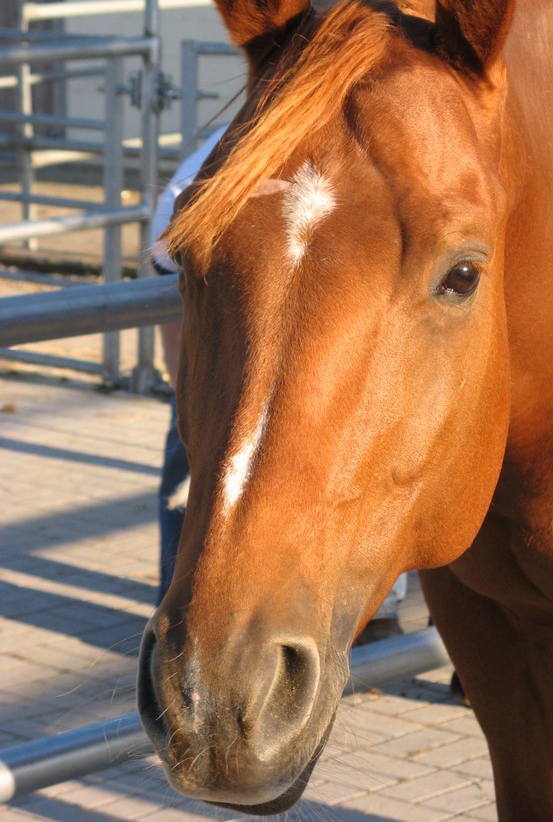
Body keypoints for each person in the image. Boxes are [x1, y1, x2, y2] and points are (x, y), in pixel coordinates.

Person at [151, 127, 407, 637]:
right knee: (199, 457)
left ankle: (371, 605)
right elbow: (169, 252)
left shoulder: (355, 140)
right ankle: (178, 599)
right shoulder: (223, 156)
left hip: (309, 345)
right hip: (245, 344)